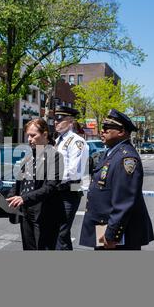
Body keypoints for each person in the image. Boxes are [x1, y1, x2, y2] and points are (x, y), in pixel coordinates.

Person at [79, 109, 154, 250]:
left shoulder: (126, 158)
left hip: (117, 233)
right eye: (102, 127)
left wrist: (113, 235)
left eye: (107, 128)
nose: (102, 131)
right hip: (103, 225)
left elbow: (124, 201)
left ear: (121, 132)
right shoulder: (111, 152)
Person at [6, 118, 64, 250]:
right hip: (26, 210)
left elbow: (50, 187)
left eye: (33, 135)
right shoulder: (29, 156)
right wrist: (10, 197)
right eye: (28, 135)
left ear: (44, 135)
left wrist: (23, 198)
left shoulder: (55, 156)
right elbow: (19, 182)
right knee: (29, 248)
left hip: (44, 212)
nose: (29, 139)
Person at [54, 106, 89, 250]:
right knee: (60, 234)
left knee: (61, 233)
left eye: (60, 119)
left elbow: (73, 171)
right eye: (55, 119)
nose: (56, 122)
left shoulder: (77, 142)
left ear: (70, 122)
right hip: (56, 191)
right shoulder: (58, 140)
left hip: (69, 191)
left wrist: (51, 181)